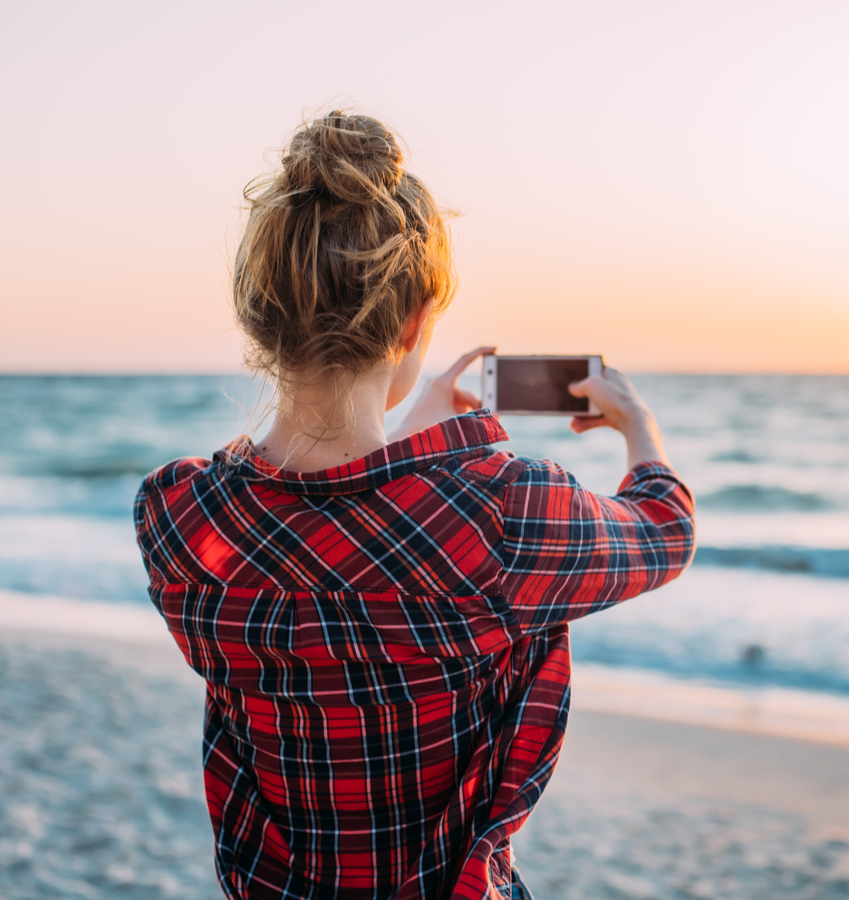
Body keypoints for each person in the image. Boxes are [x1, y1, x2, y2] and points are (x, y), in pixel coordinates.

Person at [133, 111, 695, 900]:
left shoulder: (180, 519)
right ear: (417, 320)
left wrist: (410, 435)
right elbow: (665, 533)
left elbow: (329, 526)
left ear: (260, 313)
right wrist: (642, 429)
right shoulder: (500, 512)